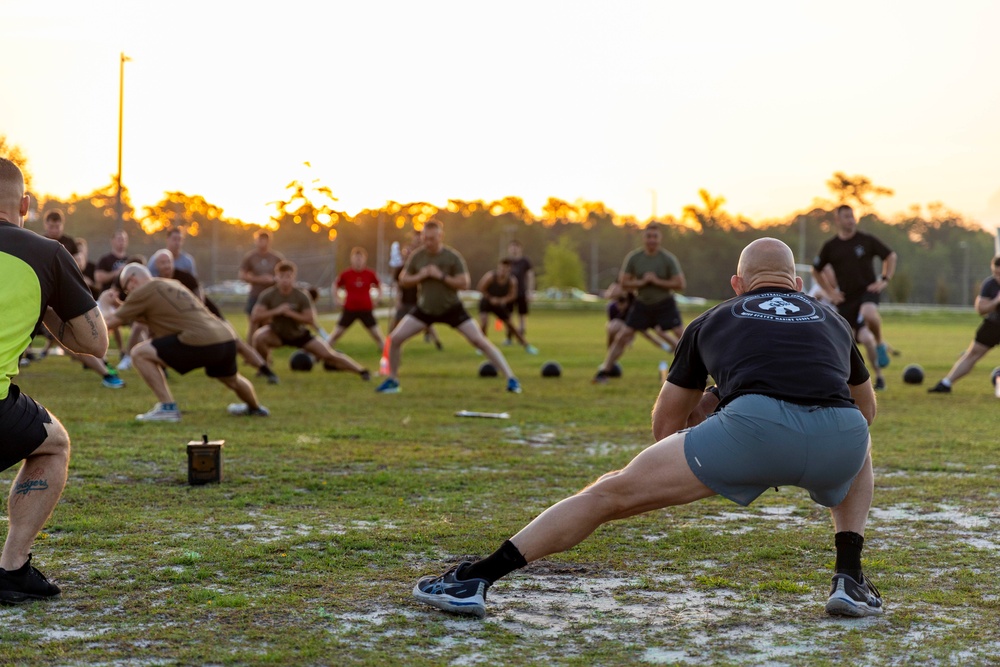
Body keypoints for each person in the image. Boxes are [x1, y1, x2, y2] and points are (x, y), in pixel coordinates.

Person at [413, 238, 882, 620]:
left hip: (749, 432)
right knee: (859, 442)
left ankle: (476, 578)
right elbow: (866, 411)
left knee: (607, 494)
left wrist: (722, 409)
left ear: (737, 284)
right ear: (798, 284)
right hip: (836, 438)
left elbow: (665, 426)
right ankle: (849, 578)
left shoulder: (713, 318)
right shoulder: (832, 320)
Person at [0, 157, 109, 602]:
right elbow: (95, 343)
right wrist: (43, 303)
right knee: (53, 442)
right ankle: (11, 569)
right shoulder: (44, 252)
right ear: (25, 204)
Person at [103, 263, 269, 422]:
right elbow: (144, 313)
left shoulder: (144, 291)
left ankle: (168, 408)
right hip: (225, 338)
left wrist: (92, 315)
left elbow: (111, 322)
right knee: (232, 379)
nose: (128, 293)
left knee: (139, 353)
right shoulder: (171, 284)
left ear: (133, 280)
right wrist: (120, 304)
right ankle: (255, 407)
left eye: (127, 289)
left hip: (200, 341)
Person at [376, 219, 522, 394]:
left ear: (440, 236)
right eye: (425, 238)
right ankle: (392, 380)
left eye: (432, 239)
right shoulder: (418, 256)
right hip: (425, 309)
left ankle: (511, 379)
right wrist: (421, 275)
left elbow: (465, 283)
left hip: (452, 309)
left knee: (480, 341)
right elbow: (404, 280)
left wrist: (441, 276)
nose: (428, 242)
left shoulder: (452, 257)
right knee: (395, 338)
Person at [812, 204, 897, 389]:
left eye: (852, 216)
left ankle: (881, 347)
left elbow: (890, 256)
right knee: (854, 340)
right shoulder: (831, 246)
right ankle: (853, 380)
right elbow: (816, 270)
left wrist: (884, 279)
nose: (851, 220)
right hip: (846, 301)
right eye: (846, 217)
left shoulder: (865, 240)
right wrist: (830, 293)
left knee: (869, 314)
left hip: (867, 292)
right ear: (837, 220)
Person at [594, 224, 685, 383]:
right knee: (623, 336)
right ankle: (604, 371)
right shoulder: (634, 258)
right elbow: (624, 283)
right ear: (644, 238)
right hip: (642, 304)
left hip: (664, 304)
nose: (652, 240)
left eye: (655, 237)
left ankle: (697, 371)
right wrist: (643, 282)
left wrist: (656, 281)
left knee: (683, 337)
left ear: (660, 238)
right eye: (649, 236)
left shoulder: (668, 259)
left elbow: (680, 284)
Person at [251, 261, 370, 382]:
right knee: (259, 337)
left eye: (288, 276)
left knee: (328, 354)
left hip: (299, 334)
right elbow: (255, 316)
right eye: (281, 276)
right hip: (277, 333)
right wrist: (277, 311)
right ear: (276, 277)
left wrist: (291, 314)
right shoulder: (268, 295)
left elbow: (310, 319)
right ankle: (265, 369)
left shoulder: (302, 296)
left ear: (293, 277)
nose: (285, 280)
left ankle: (361, 371)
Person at [928, 255, 1000, 394]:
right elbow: (980, 308)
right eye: (995, 273)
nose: (997, 277)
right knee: (972, 353)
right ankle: (946, 383)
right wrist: (996, 301)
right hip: (994, 324)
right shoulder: (989, 284)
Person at [390, 231, 441, 350]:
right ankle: (390, 341)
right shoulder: (400, 268)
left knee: (427, 324)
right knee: (396, 322)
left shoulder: (418, 265)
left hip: (417, 300)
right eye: (405, 252)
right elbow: (398, 285)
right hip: (405, 299)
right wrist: (398, 300)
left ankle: (437, 342)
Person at [477, 259, 537, 354]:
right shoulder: (491, 276)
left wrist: (502, 300)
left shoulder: (512, 281)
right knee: (484, 323)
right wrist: (491, 298)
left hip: (499, 304)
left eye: (505, 269)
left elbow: (512, 295)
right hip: (487, 302)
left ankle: (526, 346)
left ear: (509, 269)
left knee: (511, 325)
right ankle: (481, 347)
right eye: (501, 268)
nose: (503, 271)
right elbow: (481, 288)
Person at [328, 247, 384, 350]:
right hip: (350, 309)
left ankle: (387, 356)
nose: (358, 261)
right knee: (335, 335)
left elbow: (380, 285)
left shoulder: (370, 273)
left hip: (366, 309)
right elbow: (335, 285)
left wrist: (378, 299)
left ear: (364, 259)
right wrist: (336, 299)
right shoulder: (346, 274)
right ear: (352, 259)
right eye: (356, 258)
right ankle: (322, 353)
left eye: (360, 258)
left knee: (377, 335)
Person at [239, 230, 284, 343]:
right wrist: (259, 279)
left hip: (271, 296)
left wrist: (273, 279)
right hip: (255, 294)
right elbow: (242, 275)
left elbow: (285, 275)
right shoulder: (251, 257)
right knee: (253, 322)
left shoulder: (276, 258)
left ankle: (266, 354)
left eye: (264, 240)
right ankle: (251, 352)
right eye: (259, 240)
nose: (262, 243)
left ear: (269, 241)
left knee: (267, 324)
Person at [604, 281, 673, 352]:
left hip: (633, 321)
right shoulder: (612, 308)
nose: (620, 306)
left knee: (652, 332)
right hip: (623, 325)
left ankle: (669, 347)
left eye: (623, 301)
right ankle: (611, 354)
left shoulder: (633, 306)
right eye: (619, 302)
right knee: (614, 329)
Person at [504, 240, 534, 347]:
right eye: (512, 247)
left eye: (516, 247)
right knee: (508, 316)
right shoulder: (507, 262)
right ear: (509, 249)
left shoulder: (525, 262)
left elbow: (530, 276)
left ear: (520, 248)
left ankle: (521, 338)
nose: (514, 249)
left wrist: (530, 291)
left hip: (521, 293)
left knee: (522, 317)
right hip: (509, 293)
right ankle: (508, 338)